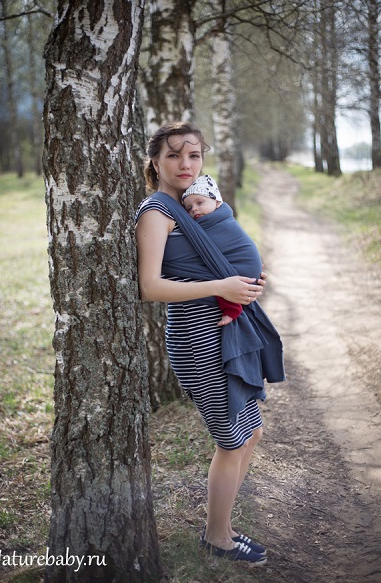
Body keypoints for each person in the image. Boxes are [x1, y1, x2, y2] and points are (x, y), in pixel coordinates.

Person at [135, 121, 285, 566]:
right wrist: (223, 284)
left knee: (251, 432)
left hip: (223, 331)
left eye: (194, 155)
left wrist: (243, 280)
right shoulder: (156, 212)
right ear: (155, 162)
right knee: (232, 440)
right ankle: (217, 537)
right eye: (174, 155)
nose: (185, 164)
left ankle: (224, 526)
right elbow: (149, 287)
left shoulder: (195, 205)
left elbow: (218, 253)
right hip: (196, 337)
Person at [181, 173, 252, 327]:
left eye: (200, 202)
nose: (194, 209)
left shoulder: (218, 222)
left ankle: (232, 309)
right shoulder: (214, 219)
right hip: (247, 272)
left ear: (217, 202)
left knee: (217, 277)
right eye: (189, 208)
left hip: (243, 271)